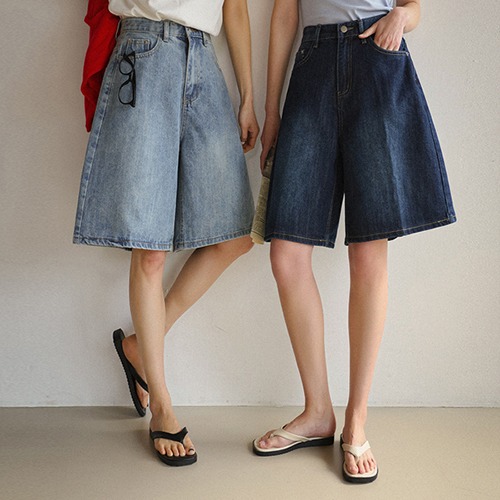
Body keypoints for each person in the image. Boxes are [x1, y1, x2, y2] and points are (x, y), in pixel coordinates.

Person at [253, 0, 455, 483]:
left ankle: (356, 419)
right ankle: (317, 412)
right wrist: (272, 110)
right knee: (286, 255)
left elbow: (413, 6)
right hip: (313, 65)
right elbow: (285, 14)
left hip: (375, 59)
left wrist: (401, 18)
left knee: (368, 254)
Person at [73, 0, 259, 466]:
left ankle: (138, 346)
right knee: (150, 248)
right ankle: (162, 405)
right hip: (144, 51)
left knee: (235, 235)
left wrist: (247, 97)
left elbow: (234, 8)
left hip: (204, 60)